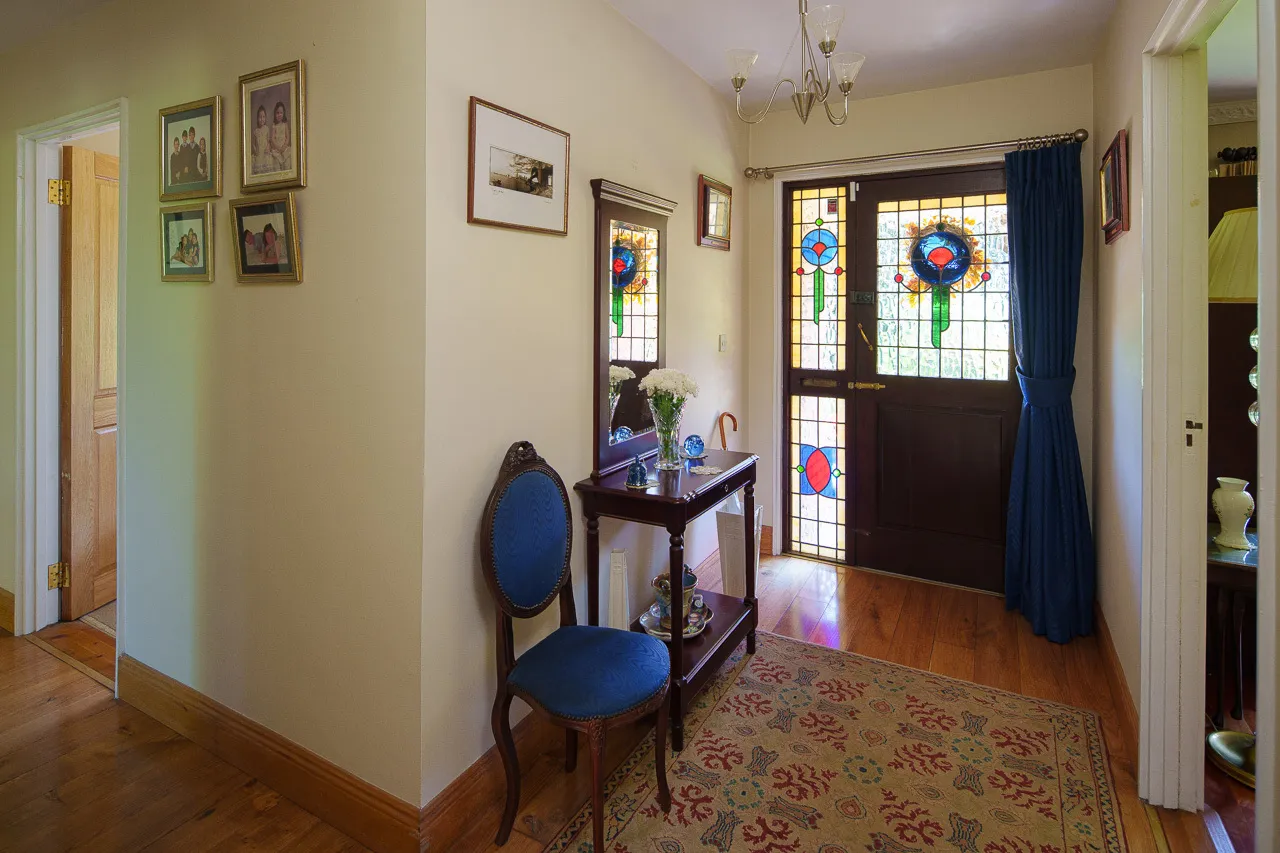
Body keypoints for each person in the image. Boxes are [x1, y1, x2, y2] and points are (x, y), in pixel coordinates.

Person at [268, 101, 291, 172]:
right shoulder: (274, 125)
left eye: (281, 113)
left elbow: (287, 137)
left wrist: (284, 147)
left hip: (284, 149)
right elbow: (272, 139)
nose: (279, 115)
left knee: (287, 166)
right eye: (277, 113)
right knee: (276, 166)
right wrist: (277, 148)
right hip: (277, 150)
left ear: (283, 113)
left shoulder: (285, 124)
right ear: (275, 114)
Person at [251, 105, 271, 174]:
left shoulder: (267, 128)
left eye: (263, 117)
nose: (262, 119)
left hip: (265, 152)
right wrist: (255, 150)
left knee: (267, 164)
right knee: (258, 165)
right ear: (257, 118)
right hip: (259, 153)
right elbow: (253, 143)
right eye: (260, 117)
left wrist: (268, 147)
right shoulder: (255, 131)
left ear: (265, 118)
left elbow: (268, 141)